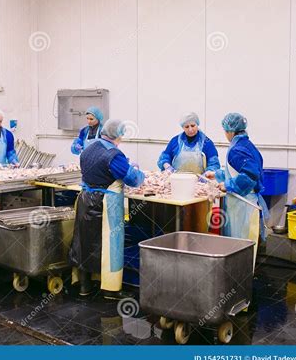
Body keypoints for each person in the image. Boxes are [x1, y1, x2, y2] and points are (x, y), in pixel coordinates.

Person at [69, 119, 145, 300]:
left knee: (85, 243)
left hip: (86, 200)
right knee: (111, 246)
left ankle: (85, 286)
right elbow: (133, 180)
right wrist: (135, 169)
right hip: (105, 204)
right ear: (117, 135)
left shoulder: (89, 149)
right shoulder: (113, 155)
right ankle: (111, 290)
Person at [216, 113, 269, 269]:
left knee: (239, 245)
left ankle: (238, 282)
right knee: (244, 246)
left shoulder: (237, 149)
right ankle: (241, 280)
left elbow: (249, 175)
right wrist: (218, 175)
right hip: (246, 203)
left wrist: (228, 186)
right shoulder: (247, 145)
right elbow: (236, 171)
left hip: (242, 205)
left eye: (225, 131)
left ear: (230, 131)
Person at [157, 112, 220, 177]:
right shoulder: (175, 141)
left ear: (197, 124)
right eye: (187, 127)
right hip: (177, 180)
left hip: (199, 182)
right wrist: (167, 166)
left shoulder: (206, 143)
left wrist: (207, 174)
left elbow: (214, 164)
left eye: (193, 126)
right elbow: (165, 157)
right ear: (183, 127)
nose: (190, 129)